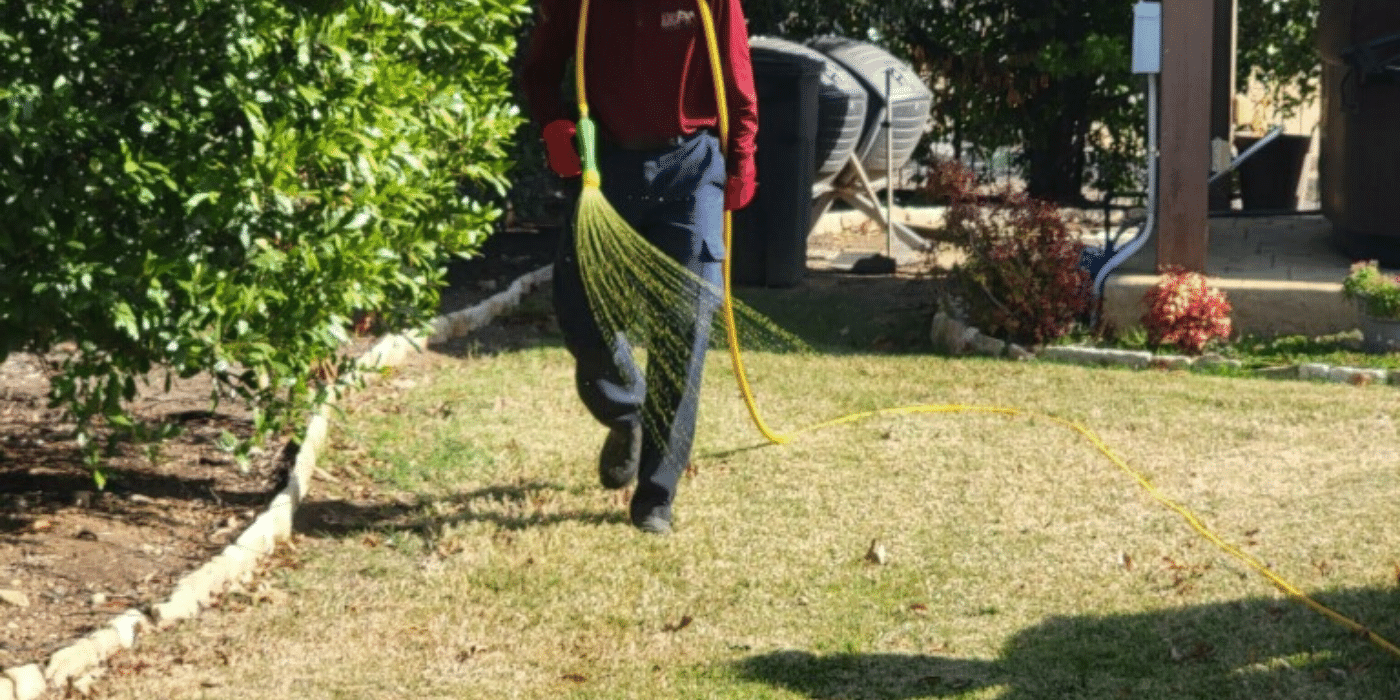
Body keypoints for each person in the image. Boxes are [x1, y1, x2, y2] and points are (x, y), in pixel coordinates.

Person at [521, 0, 758, 534]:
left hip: (690, 169)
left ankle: (656, 494)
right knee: (581, 310)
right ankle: (625, 411)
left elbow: (739, 78)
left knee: (683, 327)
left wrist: (742, 159)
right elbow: (539, 72)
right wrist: (553, 126)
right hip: (606, 165)